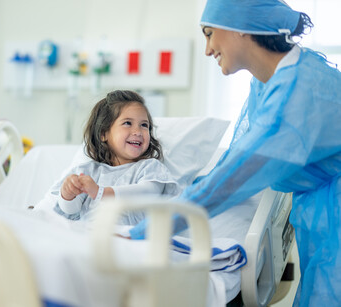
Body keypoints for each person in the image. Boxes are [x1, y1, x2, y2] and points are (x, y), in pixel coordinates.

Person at [129, 0, 341, 305]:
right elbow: (233, 160)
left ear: (240, 28)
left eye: (209, 33)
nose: (207, 48)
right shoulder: (270, 82)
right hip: (321, 214)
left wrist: (145, 232)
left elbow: (230, 181)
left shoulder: (296, 92)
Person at [51, 90, 179, 224]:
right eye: (128, 123)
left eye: (144, 125)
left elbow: (147, 192)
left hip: (127, 236)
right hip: (87, 234)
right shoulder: (90, 171)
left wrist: (101, 192)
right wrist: (67, 195)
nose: (138, 132)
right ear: (103, 134)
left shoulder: (150, 168)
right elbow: (71, 211)